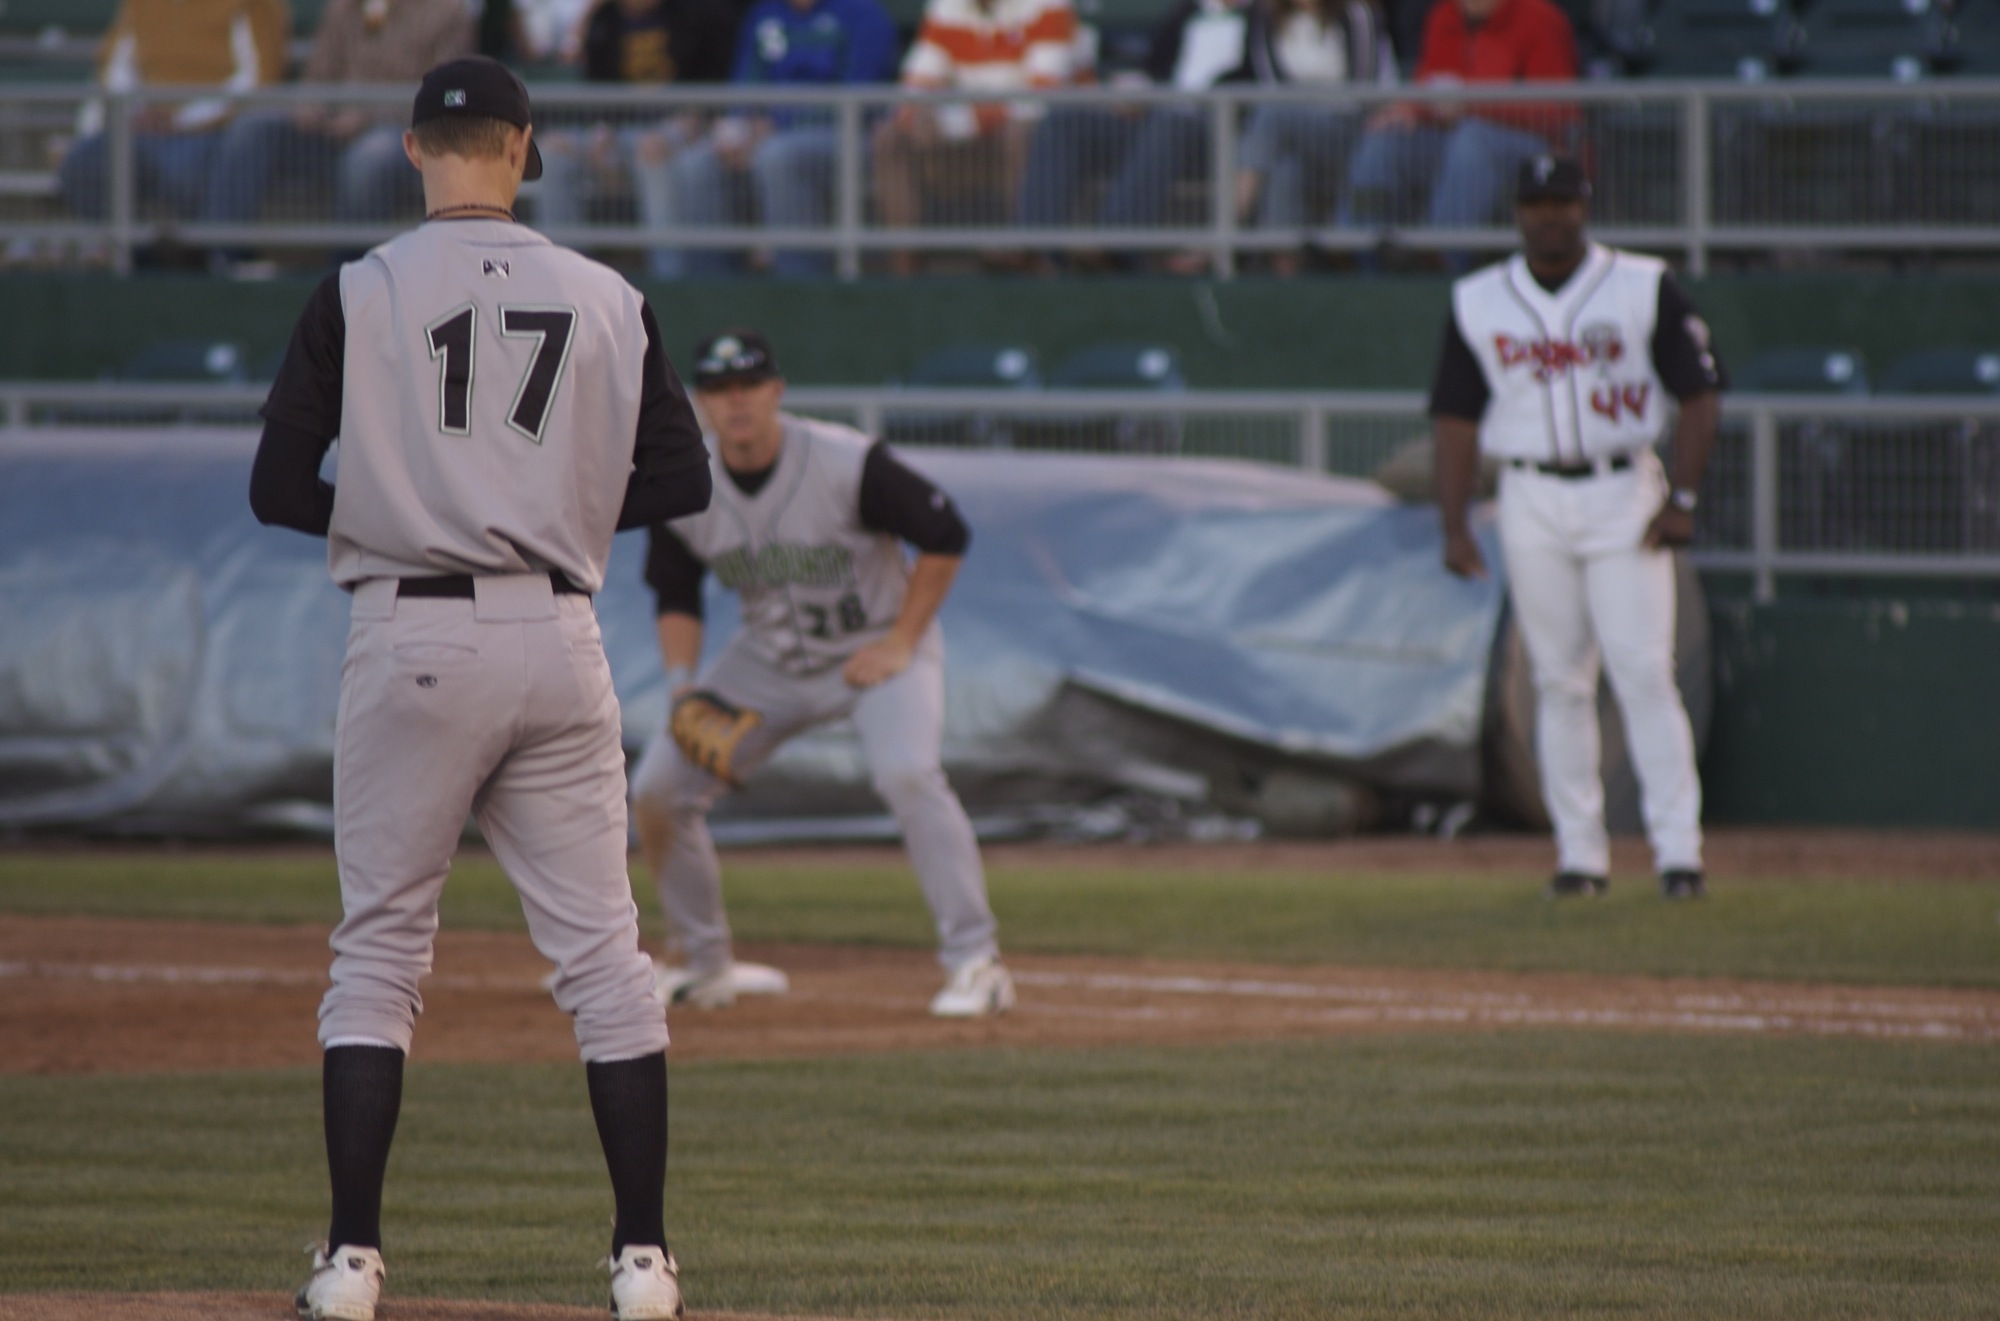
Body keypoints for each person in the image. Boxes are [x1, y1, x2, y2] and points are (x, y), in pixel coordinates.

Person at [249, 56, 713, 1321]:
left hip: (411, 634)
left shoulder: (359, 290)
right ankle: (644, 1262)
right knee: (609, 961)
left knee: (380, 953)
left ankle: (351, 1263)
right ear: (523, 149)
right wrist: (547, 507)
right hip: (560, 638)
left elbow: (279, 490)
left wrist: (404, 511)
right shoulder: (610, 296)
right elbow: (680, 484)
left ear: (411, 151)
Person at [629, 329, 1017, 1019]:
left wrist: (903, 641)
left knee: (908, 774)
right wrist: (684, 683)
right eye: (719, 389)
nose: (736, 400)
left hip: (874, 651)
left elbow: (946, 534)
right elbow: (676, 589)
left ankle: (977, 961)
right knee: (659, 787)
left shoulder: (846, 462)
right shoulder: (688, 481)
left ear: (777, 391)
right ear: (702, 402)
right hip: (769, 658)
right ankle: (704, 961)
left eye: (749, 384)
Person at [1430, 155, 1724, 901]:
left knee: (1644, 673)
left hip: (1622, 488)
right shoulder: (1480, 300)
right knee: (1558, 680)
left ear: (1584, 205)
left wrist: (1682, 497)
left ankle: (1678, 853)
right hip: (1529, 493)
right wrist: (1455, 523)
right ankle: (1580, 857)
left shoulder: (1641, 284)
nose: (1550, 215)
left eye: (1562, 200)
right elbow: (1455, 417)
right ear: (1518, 212)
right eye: (1536, 202)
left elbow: (1700, 394)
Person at [1017, 0, 1389, 271]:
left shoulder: (1262, 15)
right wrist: (1135, 90)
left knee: (1183, 120)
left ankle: (1119, 240)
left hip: (1224, 128)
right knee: (1064, 121)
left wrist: (1201, 99)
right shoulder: (1193, 12)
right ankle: (1035, 247)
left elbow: (1258, 84)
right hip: (1162, 119)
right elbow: (1154, 68)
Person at [206, 0, 475, 241]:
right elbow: (317, 76)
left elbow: (443, 99)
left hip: (402, 135)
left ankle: (346, 274)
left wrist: (368, 116)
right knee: (254, 128)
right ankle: (221, 253)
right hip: (331, 130)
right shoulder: (343, 8)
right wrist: (309, 104)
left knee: (368, 158)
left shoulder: (447, 12)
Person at [666, 0, 900, 277]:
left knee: (778, 156)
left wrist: (777, 125)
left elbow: (858, 98)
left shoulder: (863, 13)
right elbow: (744, 87)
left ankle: (801, 284)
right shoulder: (765, 14)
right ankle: (710, 290)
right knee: (695, 164)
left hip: (847, 137)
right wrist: (737, 131)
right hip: (766, 134)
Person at [1336, 0, 1577, 262]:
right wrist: (1410, 109)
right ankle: (1352, 248)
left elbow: (1555, 109)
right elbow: (1428, 81)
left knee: (1472, 140)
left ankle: (1438, 255)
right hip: (1453, 139)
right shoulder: (1444, 15)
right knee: (1385, 140)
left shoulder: (1540, 17)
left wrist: (1473, 102)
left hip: (1530, 148)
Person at [530, 0, 739, 277]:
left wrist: (685, 126)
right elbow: (596, 96)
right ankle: (564, 277)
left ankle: (669, 276)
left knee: (650, 150)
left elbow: (712, 93)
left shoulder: (694, 13)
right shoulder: (605, 18)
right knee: (552, 151)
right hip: (618, 130)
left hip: (679, 129)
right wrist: (600, 135)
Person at [873, 0, 1080, 276]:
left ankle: (1030, 259)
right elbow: (915, 88)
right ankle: (906, 267)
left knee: (1020, 132)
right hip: (965, 146)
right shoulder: (947, 7)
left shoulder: (1049, 5)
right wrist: (919, 116)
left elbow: (1040, 97)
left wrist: (959, 121)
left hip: (1032, 145)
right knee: (890, 137)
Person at [57, 0, 290, 225]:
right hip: (143, 125)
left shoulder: (253, 3)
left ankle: (200, 257)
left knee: (186, 175)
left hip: (213, 130)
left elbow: (258, 78)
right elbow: (116, 66)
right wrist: (137, 111)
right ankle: (141, 257)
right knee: (81, 164)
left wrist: (184, 119)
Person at [1233, 0, 1396, 271]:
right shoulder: (1265, 18)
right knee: (1285, 165)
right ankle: (1286, 268)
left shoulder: (1356, 13)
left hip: (1350, 132)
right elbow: (1271, 85)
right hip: (1291, 134)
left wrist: (1306, 111)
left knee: (1273, 116)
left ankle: (1229, 222)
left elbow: (1363, 90)